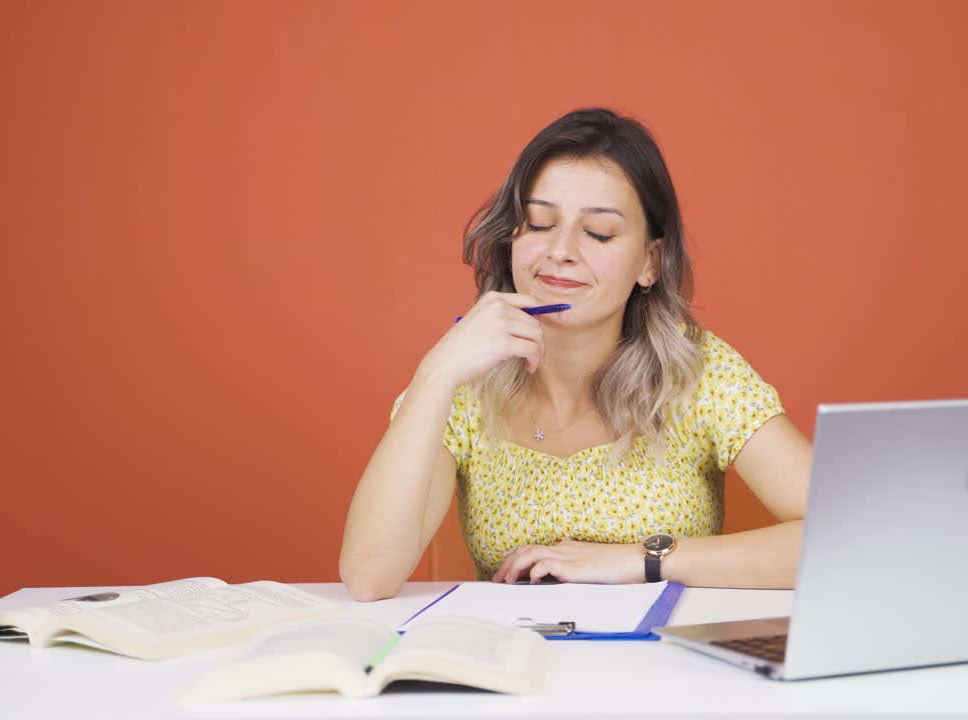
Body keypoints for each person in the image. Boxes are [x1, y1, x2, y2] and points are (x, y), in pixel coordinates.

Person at [340, 108, 811, 601]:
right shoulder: (464, 384)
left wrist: (636, 560)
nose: (561, 251)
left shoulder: (700, 373)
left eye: (599, 233)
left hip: (661, 669)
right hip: (518, 665)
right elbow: (369, 575)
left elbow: (842, 536)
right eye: (539, 223)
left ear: (649, 262)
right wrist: (436, 374)